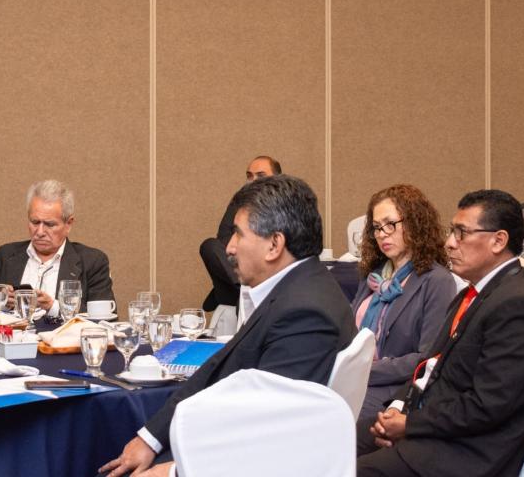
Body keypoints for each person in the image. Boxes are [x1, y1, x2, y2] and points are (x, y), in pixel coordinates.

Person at [101, 175, 356, 477]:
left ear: (274, 245)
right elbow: (218, 366)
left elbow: (273, 432)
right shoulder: (296, 289)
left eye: (238, 234)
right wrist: (151, 438)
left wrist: (175, 471)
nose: (230, 248)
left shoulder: (306, 315)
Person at [357, 189, 524, 477]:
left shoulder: (519, 306)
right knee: (335, 440)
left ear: (498, 240)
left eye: (461, 233)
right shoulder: (475, 294)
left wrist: (410, 425)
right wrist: (398, 408)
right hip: (435, 426)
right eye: (452, 232)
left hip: (464, 453)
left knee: (346, 470)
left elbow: (488, 406)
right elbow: (429, 366)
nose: (450, 243)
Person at [351, 184, 456, 423]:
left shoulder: (437, 280)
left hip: (395, 390)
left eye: (390, 224)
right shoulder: (373, 276)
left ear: (415, 223)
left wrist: (364, 371)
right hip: (356, 378)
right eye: (376, 227)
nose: (382, 234)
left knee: (332, 419)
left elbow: (428, 358)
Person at [0, 179, 114, 316]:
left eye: (49, 224)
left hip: (63, 333)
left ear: (69, 224)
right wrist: (1, 302)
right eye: (35, 222)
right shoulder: (6, 255)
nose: (40, 232)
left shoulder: (92, 262)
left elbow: (105, 319)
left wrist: (53, 307)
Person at [199, 155, 282, 312]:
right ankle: (243, 290)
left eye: (261, 176)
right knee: (209, 246)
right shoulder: (239, 202)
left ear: (277, 179)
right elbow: (223, 240)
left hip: (267, 273)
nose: (253, 180)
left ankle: (244, 290)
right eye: (249, 176)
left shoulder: (286, 206)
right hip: (238, 270)